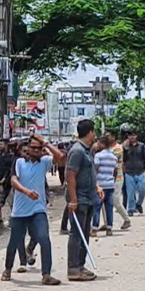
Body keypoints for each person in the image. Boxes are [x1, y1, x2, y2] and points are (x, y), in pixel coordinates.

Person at [1, 134, 66, 285]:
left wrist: (46, 143)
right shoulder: (19, 162)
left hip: (38, 209)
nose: (36, 151)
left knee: (44, 238)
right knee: (14, 241)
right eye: (33, 148)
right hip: (20, 211)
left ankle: (46, 274)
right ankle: (8, 269)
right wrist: (26, 192)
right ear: (28, 148)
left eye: (39, 148)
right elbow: (13, 180)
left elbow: (60, 156)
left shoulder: (44, 162)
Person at [65, 119, 99, 281]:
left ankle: (80, 265)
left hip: (89, 197)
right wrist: (73, 199)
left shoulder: (87, 150)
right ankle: (72, 268)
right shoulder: (77, 151)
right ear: (90, 132)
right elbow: (70, 175)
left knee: (85, 234)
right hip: (79, 198)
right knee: (76, 234)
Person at [105, 131, 132, 230]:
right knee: (105, 201)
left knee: (115, 200)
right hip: (108, 177)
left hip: (117, 177)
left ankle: (126, 219)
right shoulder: (107, 148)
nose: (107, 138)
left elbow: (112, 161)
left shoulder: (117, 148)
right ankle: (107, 222)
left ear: (113, 137)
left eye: (108, 136)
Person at [92, 137, 119, 235]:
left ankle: (94, 229)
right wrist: (112, 181)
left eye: (99, 143)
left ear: (103, 144)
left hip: (100, 185)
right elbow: (115, 172)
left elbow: (95, 169)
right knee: (109, 208)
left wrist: (94, 183)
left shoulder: (98, 156)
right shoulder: (113, 157)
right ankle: (109, 228)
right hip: (110, 185)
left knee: (97, 207)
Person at [122, 127, 145, 214]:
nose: (132, 137)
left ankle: (138, 204)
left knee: (143, 189)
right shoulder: (126, 147)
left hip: (140, 171)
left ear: (136, 136)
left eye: (133, 135)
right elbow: (123, 159)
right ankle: (131, 209)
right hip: (129, 171)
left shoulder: (141, 146)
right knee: (130, 192)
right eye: (130, 135)